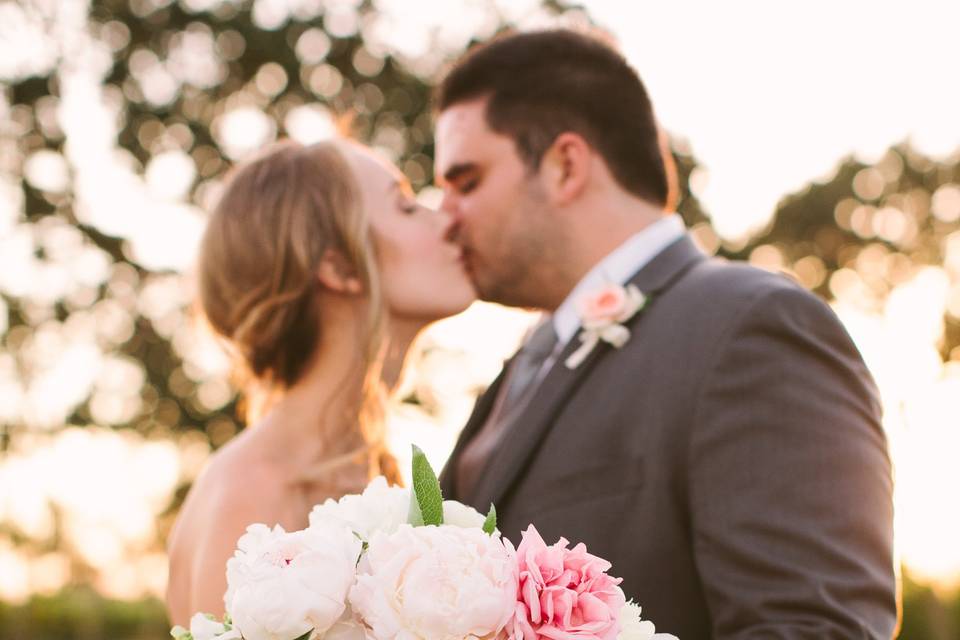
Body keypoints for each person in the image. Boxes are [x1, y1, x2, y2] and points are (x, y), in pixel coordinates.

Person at [434, 29, 897, 639]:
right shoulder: (520, 370)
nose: (445, 214)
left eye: (465, 183)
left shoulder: (751, 327)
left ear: (565, 165)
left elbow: (814, 627)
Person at [165, 139, 474, 625]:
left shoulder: (377, 475)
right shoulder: (251, 496)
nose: (448, 220)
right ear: (339, 265)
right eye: (407, 207)